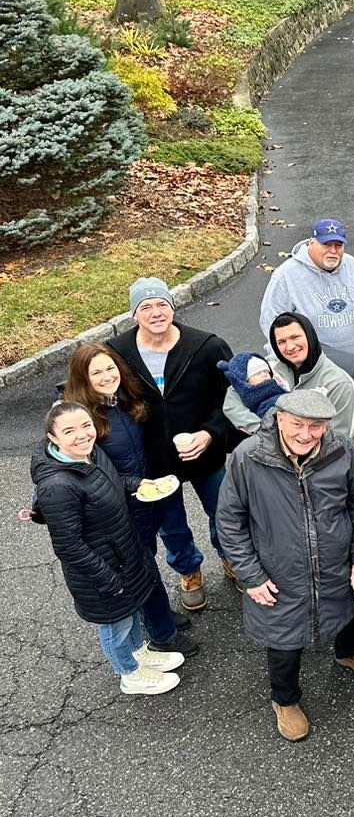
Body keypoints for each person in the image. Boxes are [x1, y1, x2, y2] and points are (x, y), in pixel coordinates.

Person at [216, 390, 354, 742]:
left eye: (317, 426)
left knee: (353, 611)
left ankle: (349, 652)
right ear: (279, 419)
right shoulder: (247, 458)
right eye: (297, 424)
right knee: (284, 639)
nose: (306, 434)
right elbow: (230, 521)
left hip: (338, 564)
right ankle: (285, 699)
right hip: (278, 572)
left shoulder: (344, 451)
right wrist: (251, 576)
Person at [30, 402, 190, 695]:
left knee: (129, 614)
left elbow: (113, 479)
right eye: (69, 431)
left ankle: (139, 655)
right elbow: (69, 546)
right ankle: (129, 674)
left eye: (86, 425)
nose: (82, 435)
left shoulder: (89, 454)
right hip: (101, 573)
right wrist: (107, 579)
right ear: (53, 438)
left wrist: (141, 483)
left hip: (121, 556)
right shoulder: (57, 485)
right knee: (115, 626)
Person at [108, 277, 237, 598]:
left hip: (204, 453)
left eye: (162, 304)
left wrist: (209, 433)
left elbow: (233, 398)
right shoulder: (117, 353)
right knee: (171, 523)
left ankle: (232, 558)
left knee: (224, 511)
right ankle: (189, 569)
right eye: (146, 307)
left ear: (172, 307)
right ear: (134, 315)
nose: (156, 312)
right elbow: (92, 384)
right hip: (153, 460)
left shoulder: (206, 346)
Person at [63, 343, 206, 619]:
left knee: (146, 557)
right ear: (83, 378)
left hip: (143, 500)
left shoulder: (126, 401)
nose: (107, 377)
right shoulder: (83, 419)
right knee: (134, 565)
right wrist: (135, 484)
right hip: (117, 507)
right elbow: (89, 471)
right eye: (96, 373)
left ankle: (156, 612)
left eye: (110, 368)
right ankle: (157, 625)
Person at [258, 218, 354, 369]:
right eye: (326, 244)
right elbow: (271, 323)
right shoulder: (285, 276)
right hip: (316, 370)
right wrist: (283, 364)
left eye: (338, 245)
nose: (333, 250)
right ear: (311, 243)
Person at [224, 313, 354, 439]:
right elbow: (233, 396)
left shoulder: (338, 384)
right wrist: (260, 428)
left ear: (310, 335)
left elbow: (339, 440)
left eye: (295, 337)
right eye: (281, 342)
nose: (290, 347)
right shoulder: (271, 366)